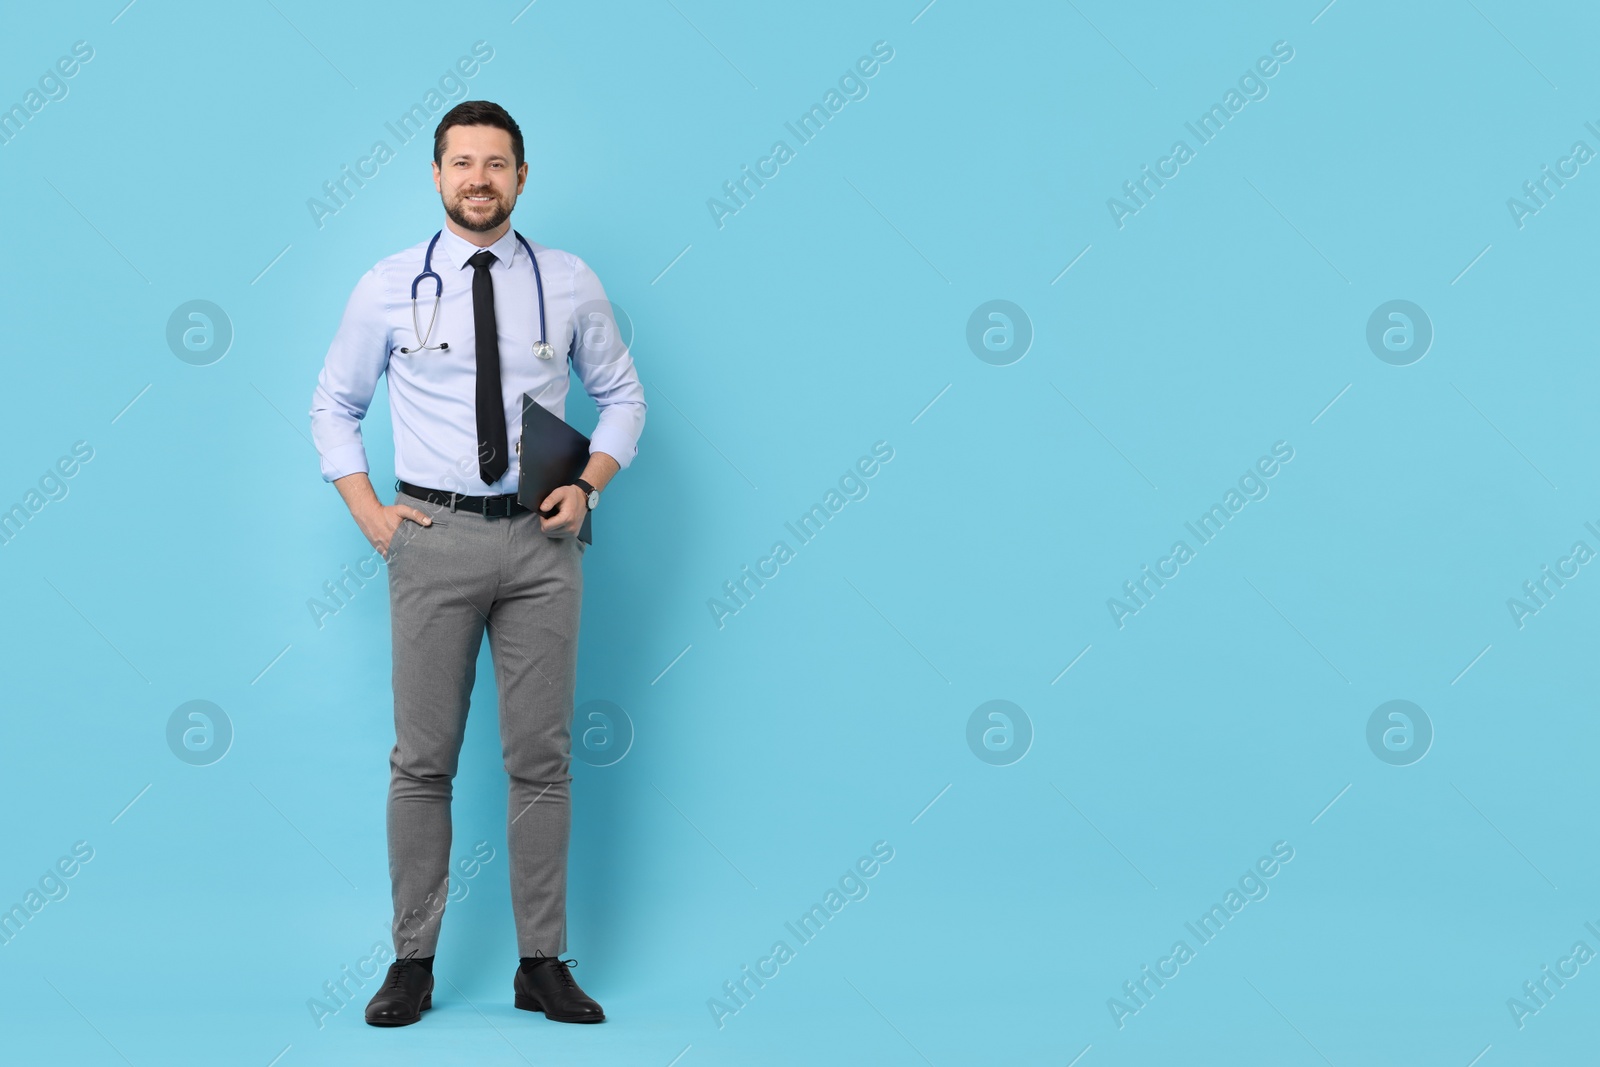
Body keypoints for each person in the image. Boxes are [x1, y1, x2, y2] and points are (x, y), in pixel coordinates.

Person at [308, 99, 646, 1027]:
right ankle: (411, 963)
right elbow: (332, 406)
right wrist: (373, 514)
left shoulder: (568, 281)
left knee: (542, 760)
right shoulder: (388, 284)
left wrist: (590, 488)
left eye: (497, 164)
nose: (479, 179)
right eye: (462, 163)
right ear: (436, 174)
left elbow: (623, 397)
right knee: (423, 761)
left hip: (542, 544)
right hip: (434, 541)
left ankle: (542, 962)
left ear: (523, 176)